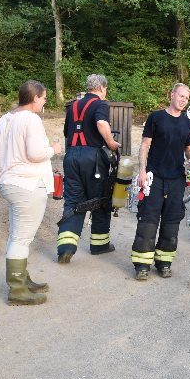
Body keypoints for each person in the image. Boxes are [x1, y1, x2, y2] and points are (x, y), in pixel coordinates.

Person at [0, 80, 63, 305]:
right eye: (44, 98)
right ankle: (17, 289)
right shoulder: (31, 119)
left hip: (8, 182)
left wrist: (12, 153)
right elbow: (36, 153)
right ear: (34, 98)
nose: (45, 102)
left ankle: (23, 279)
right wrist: (55, 149)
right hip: (28, 185)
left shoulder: (5, 118)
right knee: (22, 237)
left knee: (17, 235)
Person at [130, 83, 190, 280]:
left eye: (187, 97)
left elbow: (189, 149)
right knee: (148, 221)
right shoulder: (156, 118)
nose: (183, 100)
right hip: (154, 177)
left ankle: (164, 263)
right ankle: (142, 265)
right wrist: (142, 171)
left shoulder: (186, 123)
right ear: (172, 94)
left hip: (176, 179)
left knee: (171, 223)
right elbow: (145, 145)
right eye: (181, 96)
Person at [56, 74, 120, 263]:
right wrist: (110, 142)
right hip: (92, 158)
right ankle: (99, 245)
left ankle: (65, 248)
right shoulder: (100, 103)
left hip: (71, 156)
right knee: (100, 199)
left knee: (74, 201)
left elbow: (67, 131)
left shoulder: (74, 105)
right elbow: (101, 123)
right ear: (101, 88)